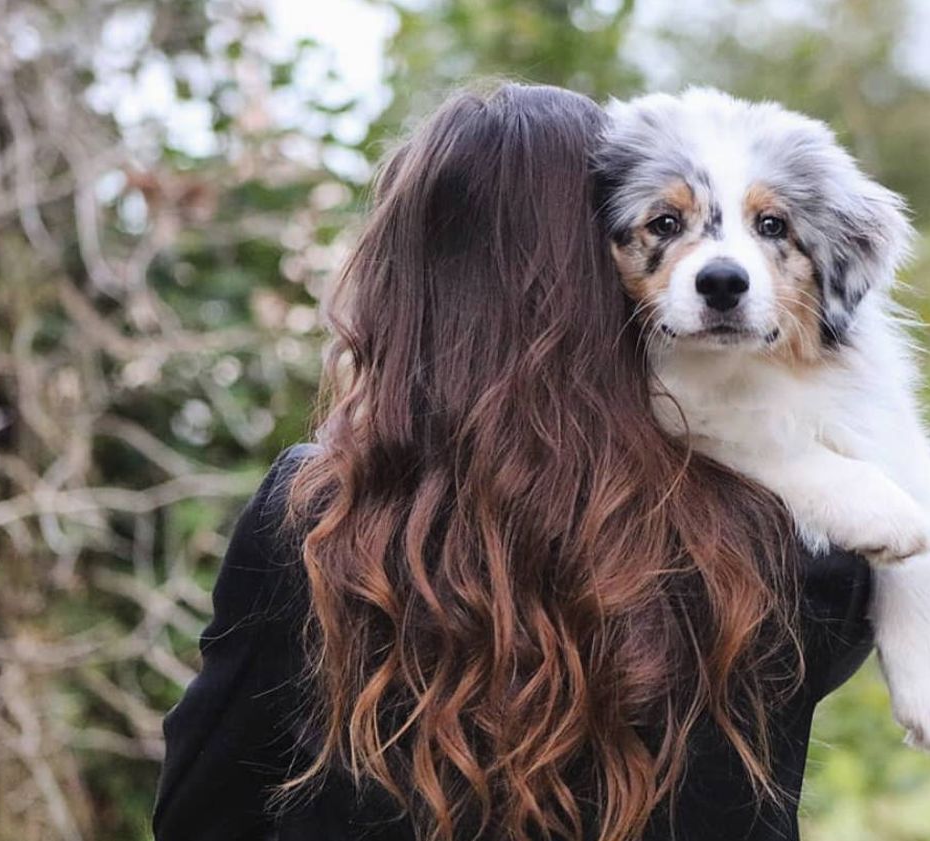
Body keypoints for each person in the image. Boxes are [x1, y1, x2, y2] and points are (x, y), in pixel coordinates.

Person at [152, 83, 874, 841]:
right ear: (615, 268)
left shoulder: (315, 511)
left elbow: (201, 812)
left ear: (405, 286)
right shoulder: (789, 528)